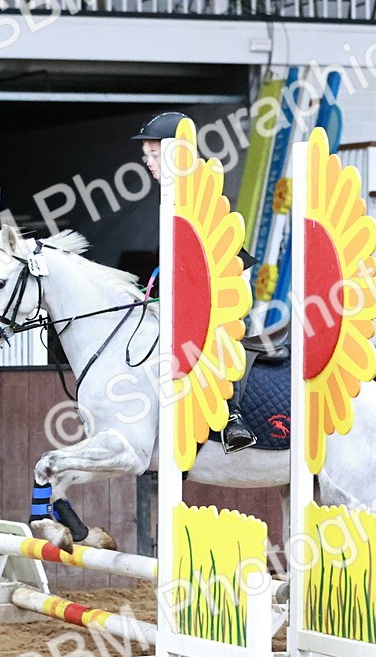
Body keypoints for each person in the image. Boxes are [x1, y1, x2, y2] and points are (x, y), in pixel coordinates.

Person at [132, 111, 286, 453]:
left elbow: (225, 259)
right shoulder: (171, 200)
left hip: (228, 288)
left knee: (218, 343)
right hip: (192, 295)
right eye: (146, 156)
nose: (148, 163)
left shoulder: (196, 192)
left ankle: (232, 419)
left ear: (176, 153)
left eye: (155, 155)